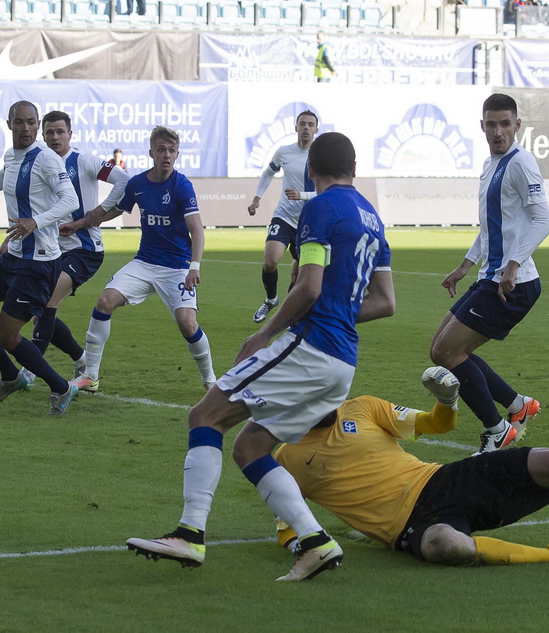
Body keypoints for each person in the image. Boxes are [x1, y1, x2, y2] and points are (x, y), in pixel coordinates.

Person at [126, 132, 396, 582]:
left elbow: (308, 287)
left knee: (205, 415)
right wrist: (339, 313)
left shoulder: (319, 207)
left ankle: (189, 534)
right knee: (251, 446)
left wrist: (266, 332)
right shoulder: (373, 219)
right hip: (342, 363)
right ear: (354, 167)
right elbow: (385, 302)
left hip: (311, 347)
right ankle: (315, 542)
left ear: (311, 169)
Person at [273, 367, 549, 567]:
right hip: (409, 529)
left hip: (442, 479)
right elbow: (290, 528)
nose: (331, 398)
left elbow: (436, 426)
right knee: (449, 547)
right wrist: (306, 544)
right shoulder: (284, 459)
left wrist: (447, 400)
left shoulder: (364, 408)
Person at [430, 93, 549, 455]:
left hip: (512, 284)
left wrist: (513, 264)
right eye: (491, 124)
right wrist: (465, 265)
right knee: (444, 349)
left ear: (518, 125)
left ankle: (497, 429)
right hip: (491, 276)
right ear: (481, 126)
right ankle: (518, 406)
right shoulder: (491, 164)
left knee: (447, 351)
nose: (498, 131)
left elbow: (544, 219)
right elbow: (490, 226)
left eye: (505, 124)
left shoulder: (521, 163)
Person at [0, 101, 80, 416]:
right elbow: (3, 176)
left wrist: (36, 221)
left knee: (6, 336)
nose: (25, 128)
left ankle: (60, 387)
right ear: (9, 125)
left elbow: (70, 199)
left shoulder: (47, 160)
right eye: (19, 122)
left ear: (37, 126)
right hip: (15, 255)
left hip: (39, 263)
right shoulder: (13, 156)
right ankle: (10, 377)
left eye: (31, 123)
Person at [73, 126, 216, 393]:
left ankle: (210, 381)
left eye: (172, 150)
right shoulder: (138, 184)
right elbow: (114, 210)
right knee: (105, 301)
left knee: (187, 323)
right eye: (161, 149)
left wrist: (193, 267)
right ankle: (90, 375)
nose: (167, 155)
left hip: (177, 266)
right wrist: (81, 223)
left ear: (177, 154)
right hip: (145, 262)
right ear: (151, 152)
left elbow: (197, 229)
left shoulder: (182, 186)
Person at [15, 111, 129, 388]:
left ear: (70, 134)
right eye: (50, 132)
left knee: (47, 304)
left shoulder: (85, 161)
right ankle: (81, 360)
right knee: (37, 314)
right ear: (43, 135)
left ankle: (29, 372)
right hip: (50, 250)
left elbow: (124, 180)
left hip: (85, 249)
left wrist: (93, 215)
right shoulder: (39, 162)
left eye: (60, 132)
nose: (55, 137)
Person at [246, 110, 319, 323]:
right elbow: (269, 172)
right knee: (270, 262)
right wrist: (257, 198)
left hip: (309, 222)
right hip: (284, 216)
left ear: (316, 129)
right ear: (296, 127)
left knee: (298, 276)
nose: (306, 128)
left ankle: (289, 314)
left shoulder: (320, 156)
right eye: (302, 124)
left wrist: (302, 195)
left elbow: (326, 190)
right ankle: (271, 299)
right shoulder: (284, 152)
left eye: (310, 125)